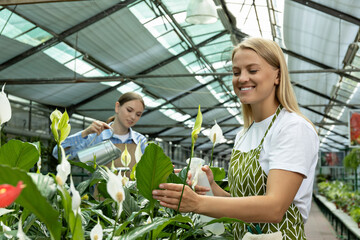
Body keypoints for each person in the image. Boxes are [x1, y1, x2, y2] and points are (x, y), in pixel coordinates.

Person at [152, 37, 319, 239]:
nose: (242, 78)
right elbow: (243, 203)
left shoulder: (292, 128)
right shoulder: (244, 133)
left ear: (277, 75)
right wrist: (210, 188)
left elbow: (274, 208)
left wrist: (197, 203)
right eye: (236, 72)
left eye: (253, 70)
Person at [52, 92, 147, 160]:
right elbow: (58, 154)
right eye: (129, 110)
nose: (133, 117)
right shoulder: (96, 137)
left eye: (138, 114)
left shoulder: (140, 141)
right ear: (117, 107)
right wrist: (85, 133)